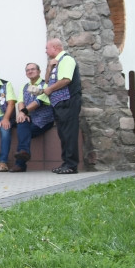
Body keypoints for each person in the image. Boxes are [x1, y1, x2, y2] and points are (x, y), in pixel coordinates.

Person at [45, 38, 82, 174]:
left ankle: (71, 165)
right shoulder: (56, 63)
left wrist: (49, 90)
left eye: (47, 48)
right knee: (63, 134)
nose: (45, 51)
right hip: (59, 103)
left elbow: (66, 80)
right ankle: (66, 163)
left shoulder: (67, 60)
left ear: (55, 48)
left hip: (68, 102)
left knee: (69, 133)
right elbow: (48, 80)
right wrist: (49, 67)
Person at [10, 62, 55, 172]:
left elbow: (38, 102)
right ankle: (24, 153)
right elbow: (20, 101)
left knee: (24, 132)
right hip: (29, 118)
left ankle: (20, 164)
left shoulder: (46, 84)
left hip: (44, 119)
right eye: (27, 70)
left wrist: (24, 112)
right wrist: (21, 113)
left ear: (39, 71)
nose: (30, 71)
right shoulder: (24, 87)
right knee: (21, 122)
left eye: (33, 69)